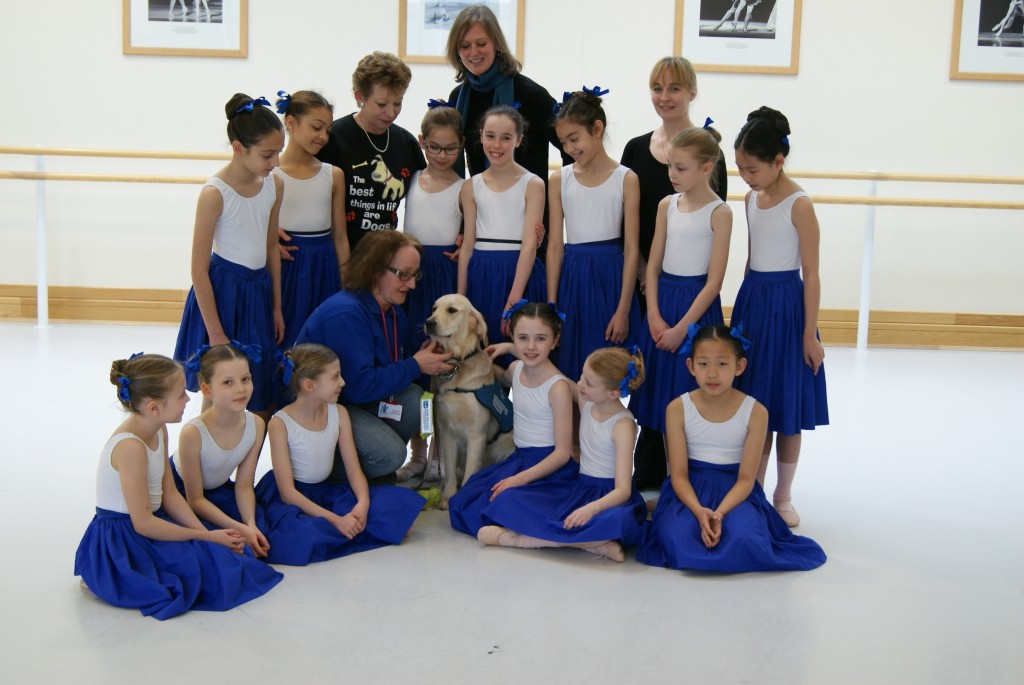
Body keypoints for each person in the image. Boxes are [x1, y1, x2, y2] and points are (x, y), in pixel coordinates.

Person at [74, 354, 282, 620]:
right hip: (125, 535)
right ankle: (104, 574)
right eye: (181, 395)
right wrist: (206, 536)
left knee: (228, 556)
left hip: (153, 518)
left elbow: (170, 494)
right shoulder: (130, 447)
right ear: (153, 407)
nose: (188, 400)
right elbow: (144, 524)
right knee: (205, 575)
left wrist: (205, 533)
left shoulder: (158, 428)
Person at [636, 326, 826, 572]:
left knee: (745, 537)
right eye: (703, 364)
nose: (712, 373)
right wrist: (699, 511)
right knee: (677, 536)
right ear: (691, 366)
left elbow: (747, 479)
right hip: (690, 489)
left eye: (722, 364)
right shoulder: (677, 408)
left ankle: (729, 524)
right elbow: (679, 475)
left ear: (740, 366)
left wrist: (719, 514)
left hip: (735, 491)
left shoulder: (756, 412)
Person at [620, 57, 728, 490]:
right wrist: (649, 290)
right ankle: (649, 469)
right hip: (653, 287)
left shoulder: (707, 164)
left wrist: (679, 317)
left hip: (691, 295)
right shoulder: (636, 151)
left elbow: (711, 252)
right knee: (654, 380)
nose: (664, 97)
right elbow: (635, 226)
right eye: (657, 88)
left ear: (691, 94)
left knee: (691, 380)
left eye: (674, 89)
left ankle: (695, 470)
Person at [731, 106, 828, 527]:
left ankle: (783, 494)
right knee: (757, 404)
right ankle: (750, 488)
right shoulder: (751, 198)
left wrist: (810, 335)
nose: (745, 177)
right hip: (754, 300)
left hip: (788, 307)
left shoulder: (800, 204)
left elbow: (812, 273)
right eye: (739, 168)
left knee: (786, 405)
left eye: (751, 168)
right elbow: (752, 260)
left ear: (778, 161)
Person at [295, 230, 454, 481]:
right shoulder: (346, 314)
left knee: (417, 401)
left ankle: (371, 460)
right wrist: (415, 364)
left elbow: (389, 363)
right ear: (373, 270)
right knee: (390, 455)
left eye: (415, 275)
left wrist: (423, 354)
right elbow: (358, 387)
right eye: (403, 275)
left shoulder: (390, 309)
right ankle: (332, 470)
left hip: (352, 402)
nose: (412, 285)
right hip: (323, 409)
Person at [255, 344, 425, 565]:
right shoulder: (280, 423)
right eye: (335, 377)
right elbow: (288, 493)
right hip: (296, 499)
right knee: (297, 540)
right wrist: (337, 521)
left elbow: (354, 471)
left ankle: (340, 531)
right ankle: (337, 530)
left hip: (329, 491)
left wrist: (362, 504)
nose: (343, 383)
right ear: (309, 385)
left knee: (402, 522)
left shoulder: (339, 413)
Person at [477, 346, 648, 562]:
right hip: (579, 489)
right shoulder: (588, 400)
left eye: (588, 382)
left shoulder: (622, 425)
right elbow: (550, 371)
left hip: (608, 498)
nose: (580, 384)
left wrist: (591, 509)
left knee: (618, 522)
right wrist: (512, 348)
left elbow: (622, 490)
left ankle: (515, 540)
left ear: (613, 394)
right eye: (582, 376)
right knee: (509, 498)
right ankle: (595, 545)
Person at [174, 93, 284, 419]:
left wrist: (276, 306)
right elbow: (198, 270)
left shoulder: (275, 185)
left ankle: (246, 465)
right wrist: (216, 332)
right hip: (223, 292)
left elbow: (271, 248)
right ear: (238, 148)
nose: (276, 161)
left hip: (258, 292)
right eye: (268, 154)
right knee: (219, 388)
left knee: (258, 387)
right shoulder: (214, 194)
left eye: (278, 151)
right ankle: (206, 465)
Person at [629, 125, 731, 464]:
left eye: (680, 168)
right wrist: (655, 315)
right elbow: (653, 266)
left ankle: (688, 471)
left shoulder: (720, 212)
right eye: (670, 166)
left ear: (706, 168)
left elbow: (714, 282)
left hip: (696, 312)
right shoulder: (666, 205)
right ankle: (653, 470)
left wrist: (683, 329)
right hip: (661, 305)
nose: (672, 174)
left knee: (689, 390)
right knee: (655, 387)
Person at [448, 302, 579, 537]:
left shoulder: (557, 388)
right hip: (519, 459)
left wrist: (518, 479)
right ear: (513, 336)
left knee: (507, 500)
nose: (530, 346)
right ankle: (514, 528)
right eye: (522, 338)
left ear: (555, 339)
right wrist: (483, 357)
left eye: (540, 339)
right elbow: (501, 374)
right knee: (465, 500)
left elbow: (562, 454)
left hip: (549, 468)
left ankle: (519, 537)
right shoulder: (516, 369)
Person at [546, 87, 641, 382]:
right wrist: (552, 308)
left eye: (574, 139)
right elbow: (554, 248)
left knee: (608, 371)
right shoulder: (559, 179)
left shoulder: (626, 178)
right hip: (573, 279)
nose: (569, 148)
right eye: (563, 142)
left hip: (610, 278)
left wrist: (623, 308)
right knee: (571, 372)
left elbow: (633, 249)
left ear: (597, 129)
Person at [394, 101, 466, 482]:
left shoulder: (464, 186)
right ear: (422, 142)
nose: (441, 155)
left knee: (443, 366)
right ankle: (417, 450)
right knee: (416, 366)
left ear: (461, 146)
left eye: (450, 148)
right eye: (434, 147)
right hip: (413, 275)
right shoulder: (411, 179)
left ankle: (442, 451)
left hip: (444, 278)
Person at [444, 4, 568, 184]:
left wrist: (561, 197)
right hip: (481, 206)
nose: (473, 52)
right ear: (457, 51)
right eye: (465, 46)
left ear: (497, 44)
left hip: (530, 208)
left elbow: (569, 146)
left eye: (481, 43)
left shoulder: (530, 93)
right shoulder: (458, 98)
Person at [315, 52, 426, 252]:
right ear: (360, 97)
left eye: (398, 103)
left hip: (384, 255)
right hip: (337, 251)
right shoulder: (334, 138)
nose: (391, 112)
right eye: (382, 104)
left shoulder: (406, 143)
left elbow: (432, 190)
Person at [458, 105, 546, 350]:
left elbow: (530, 245)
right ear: (481, 137)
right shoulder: (471, 186)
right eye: (490, 136)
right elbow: (467, 246)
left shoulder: (533, 183)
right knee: (480, 349)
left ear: (518, 140)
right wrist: (461, 297)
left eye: (506, 138)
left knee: (522, 349)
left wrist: (514, 299)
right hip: (481, 273)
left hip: (518, 273)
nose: (496, 145)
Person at [171, 342, 271, 558]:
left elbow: (244, 485)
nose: (240, 389)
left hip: (218, 491)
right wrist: (240, 528)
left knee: (265, 537)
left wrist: (250, 524)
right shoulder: (193, 433)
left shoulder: (257, 424)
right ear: (208, 390)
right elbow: (195, 500)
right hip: (183, 494)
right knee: (213, 555)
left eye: (245, 379)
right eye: (228, 382)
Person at [273, 90, 346, 352]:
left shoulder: (333, 174)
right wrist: (268, 243)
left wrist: (345, 280)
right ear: (291, 123)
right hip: (287, 267)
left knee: (321, 344)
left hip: (323, 267)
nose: (323, 136)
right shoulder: (270, 174)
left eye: (328, 129)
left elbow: (340, 235)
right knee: (285, 338)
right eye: (316, 127)